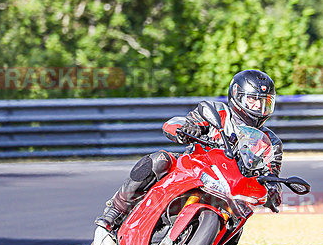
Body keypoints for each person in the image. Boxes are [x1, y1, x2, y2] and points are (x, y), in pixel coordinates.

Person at [95, 69, 283, 235]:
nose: (258, 107)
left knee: (238, 228)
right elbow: (183, 122)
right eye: (252, 100)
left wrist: (273, 190)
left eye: (264, 102)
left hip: (230, 190)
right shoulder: (216, 111)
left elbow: (272, 174)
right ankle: (116, 211)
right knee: (159, 160)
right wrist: (186, 129)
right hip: (193, 167)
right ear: (237, 95)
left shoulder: (271, 143)